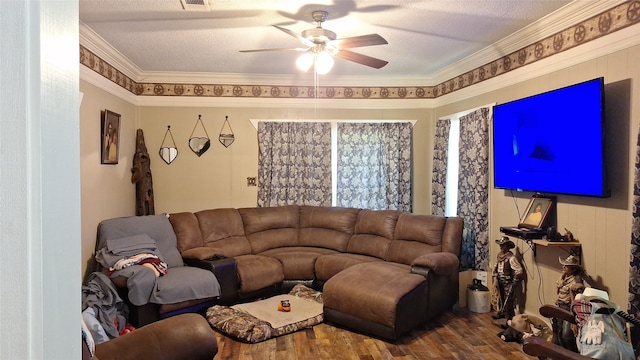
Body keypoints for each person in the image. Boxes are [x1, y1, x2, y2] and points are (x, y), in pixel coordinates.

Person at [553, 255, 586, 352]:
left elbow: (578, 298)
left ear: (572, 269)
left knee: (567, 335)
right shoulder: (562, 278)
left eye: (566, 266)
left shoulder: (576, 280)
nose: (563, 267)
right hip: (560, 306)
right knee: (558, 333)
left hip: (569, 308)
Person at [492, 236, 524, 320]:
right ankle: (502, 312)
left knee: (508, 299)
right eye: (500, 245)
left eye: (503, 245)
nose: (501, 247)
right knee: (501, 297)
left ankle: (509, 317)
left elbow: (519, 270)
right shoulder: (500, 256)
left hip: (507, 281)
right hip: (500, 280)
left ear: (507, 246)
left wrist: (515, 279)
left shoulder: (511, 258)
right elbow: (497, 265)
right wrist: (495, 274)